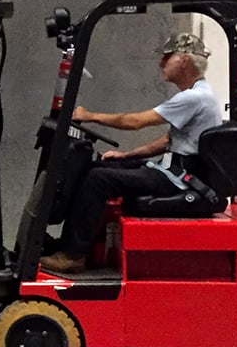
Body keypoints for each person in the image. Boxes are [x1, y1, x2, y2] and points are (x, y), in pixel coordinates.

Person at [40, 32, 222, 273]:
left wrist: (90, 116)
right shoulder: (199, 95)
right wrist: (128, 156)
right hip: (175, 171)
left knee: (97, 180)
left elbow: (134, 121)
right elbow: (169, 140)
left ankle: (74, 255)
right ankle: (68, 245)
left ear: (184, 60)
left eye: (167, 57)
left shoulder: (194, 98)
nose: (161, 63)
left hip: (179, 180)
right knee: (96, 167)